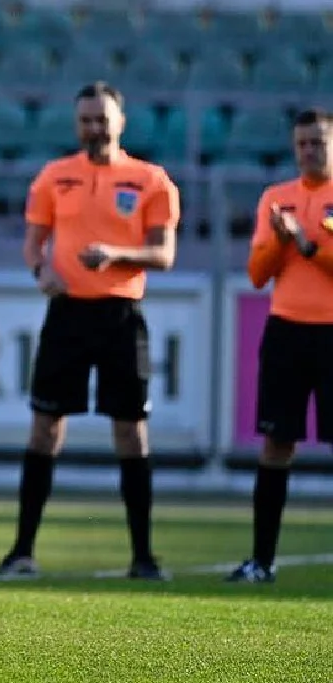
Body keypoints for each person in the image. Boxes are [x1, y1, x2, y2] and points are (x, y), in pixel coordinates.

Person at [0, 81, 179, 580]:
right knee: (46, 427)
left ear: (121, 122)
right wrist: (41, 271)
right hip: (67, 314)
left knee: (130, 431)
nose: (95, 128)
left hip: (120, 315)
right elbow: (35, 244)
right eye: (86, 120)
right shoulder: (55, 177)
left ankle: (143, 556)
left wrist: (118, 255)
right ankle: (22, 550)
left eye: (103, 119)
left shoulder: (151, 180)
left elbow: (163, 255)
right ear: (77, 124)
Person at [226, 108, 333, 583]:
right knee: (276, 442)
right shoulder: (277, 199)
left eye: (318, 142)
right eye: (302, 144)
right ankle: (261, 561)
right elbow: (256, 273)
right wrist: (279, 241)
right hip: (286, 329)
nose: (309, 151)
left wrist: (307, 245)